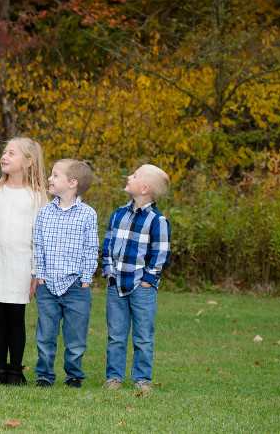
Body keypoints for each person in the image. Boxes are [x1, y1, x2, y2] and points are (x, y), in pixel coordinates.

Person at [0, 137, 47, 386]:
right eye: (4, 152)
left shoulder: (37, 196)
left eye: (12, 153)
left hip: (22, 265)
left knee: (16, 316)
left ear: (28, 162)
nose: (4, 156)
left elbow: (38, 238)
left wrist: (34, 272)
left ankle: (16, 370)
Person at [101, 164, 171, 392]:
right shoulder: (118, 214)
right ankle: (113, 378)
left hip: (142, 288)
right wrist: (109, 272)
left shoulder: (156, 220)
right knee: (116, 336)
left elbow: (161, 254)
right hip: (117, 284)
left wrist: (148, 281)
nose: (128, 177)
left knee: (143, 337)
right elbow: (108, 245)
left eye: (134, 175)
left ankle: (142, 379)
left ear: (145, 189)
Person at [33, 159, 98, 388]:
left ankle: (74, 375)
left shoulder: (87, 214)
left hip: (76, 286)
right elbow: (38, 246)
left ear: (72, 183)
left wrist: (86, 279)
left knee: (76, 337)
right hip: (48, 284)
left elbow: (91, 249)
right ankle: (44, 374)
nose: (50, 179)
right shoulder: (44, 213)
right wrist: (40, 276)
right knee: (45, 335)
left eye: (55, 175)